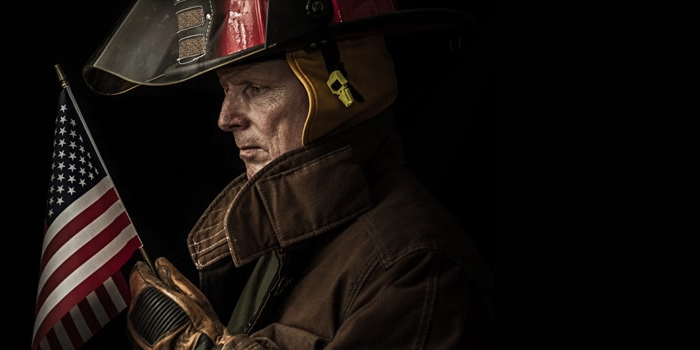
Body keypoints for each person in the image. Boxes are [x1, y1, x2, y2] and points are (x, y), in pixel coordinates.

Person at [80, 0, 493, 348]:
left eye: (254, 89)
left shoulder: (414, 268)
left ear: (338, 93)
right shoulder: (285, 236)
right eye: (226, 90)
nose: (226, 119)